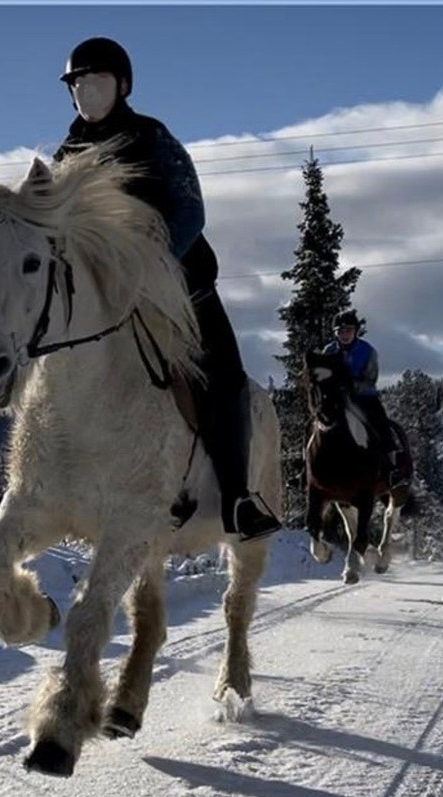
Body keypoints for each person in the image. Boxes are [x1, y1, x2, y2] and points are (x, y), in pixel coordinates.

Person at [53, 36, 280, 541]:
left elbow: (191, 210)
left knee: (225, 375)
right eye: (79, 85)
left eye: (98, 83)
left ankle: (237, 498)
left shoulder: (152, 138)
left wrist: (149, 264)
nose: (87, 94)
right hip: (101, 298)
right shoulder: (65, 156)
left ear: (123, 86)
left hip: (180, 285)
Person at [322, 308, 407, 486]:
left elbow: (371, 378)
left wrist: (352, 386)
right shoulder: (328, 351)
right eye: (341, 331)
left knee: (381, 423)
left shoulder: (368, 351)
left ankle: (392, 469)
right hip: (337, 400)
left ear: (355, 331)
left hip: (363, 398)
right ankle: (306, 470)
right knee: (314, 424)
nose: (344, 335)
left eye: (348, 331)